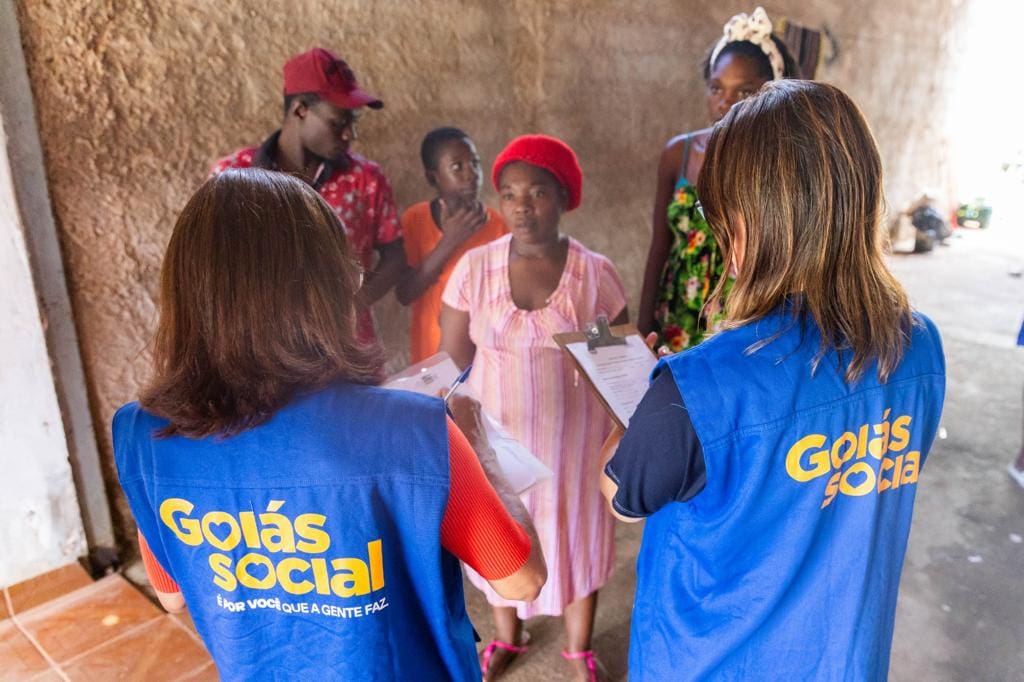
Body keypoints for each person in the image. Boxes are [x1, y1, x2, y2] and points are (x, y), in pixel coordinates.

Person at [112, 168, 546, 681]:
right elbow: (521, 582)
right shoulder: (413, 431)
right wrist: (480, 448)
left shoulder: (143, 436)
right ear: (328, 290)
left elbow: (172, 597)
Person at [602, 81, 946, 680]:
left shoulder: (700, 386)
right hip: (845, 659)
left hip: (708, 662)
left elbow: (624, 498)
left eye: (716, 213)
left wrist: (631, 412)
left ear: (750, 219)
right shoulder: (920, 347)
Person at [440, 135, 627, 682]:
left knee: (578, 536)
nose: (522, 206)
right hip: (497, 441)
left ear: (564, 198)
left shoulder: (592, 276)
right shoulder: (475, 270)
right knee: (503, 537)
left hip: (575, 444)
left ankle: (578, 646)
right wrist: (460, 429)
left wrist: (623, 432)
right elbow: (453, 359)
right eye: (510, 193)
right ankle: (508, 636)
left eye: (538, 192)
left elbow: (611, 367)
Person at [211, 47, 404, 344]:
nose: (349, 135)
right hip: (262, 356)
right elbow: (210, 265)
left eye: (354, 123)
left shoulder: (365, 179)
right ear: (301, 109)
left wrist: (355, 303)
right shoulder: (232, 176)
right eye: (338, 122)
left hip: (347, 355)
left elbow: (396, 255)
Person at [637, 7, 799, 351]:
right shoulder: (679, 154)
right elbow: (660, 245)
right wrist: (644, 320)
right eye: (716, 88)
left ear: (771, 92)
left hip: (740, 313)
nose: (724, 103)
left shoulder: (776, 163)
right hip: (678, 309)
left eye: (744, 92)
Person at [396, 127, 508, 363]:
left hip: (482, 358)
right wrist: (450, 241)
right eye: (457, 167)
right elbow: (405, 293)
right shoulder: (415, 220)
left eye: (475, 164)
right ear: (432, 177)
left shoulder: (498, 225)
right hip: (430, 354)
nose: (471, 174)